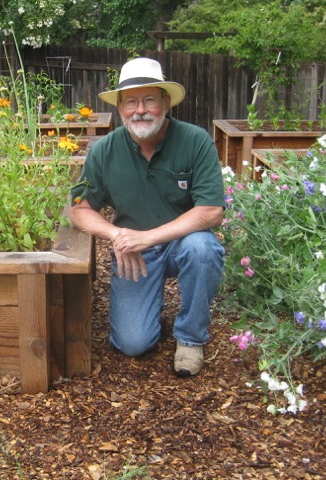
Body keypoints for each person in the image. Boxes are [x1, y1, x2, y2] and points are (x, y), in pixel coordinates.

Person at [70, 57, 225, 377]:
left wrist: (149, 236)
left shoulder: (195, 140)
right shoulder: (104, 151)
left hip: (183, 242)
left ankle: (191, 338)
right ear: (120, 108)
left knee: (203, 249)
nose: (140, 110)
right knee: (133, 343)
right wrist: (117, 236)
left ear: (166, 103)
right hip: (135, 253)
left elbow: (211, 211)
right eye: (130, 102)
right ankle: (146, 311)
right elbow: (79, 209)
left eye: (149, 100)